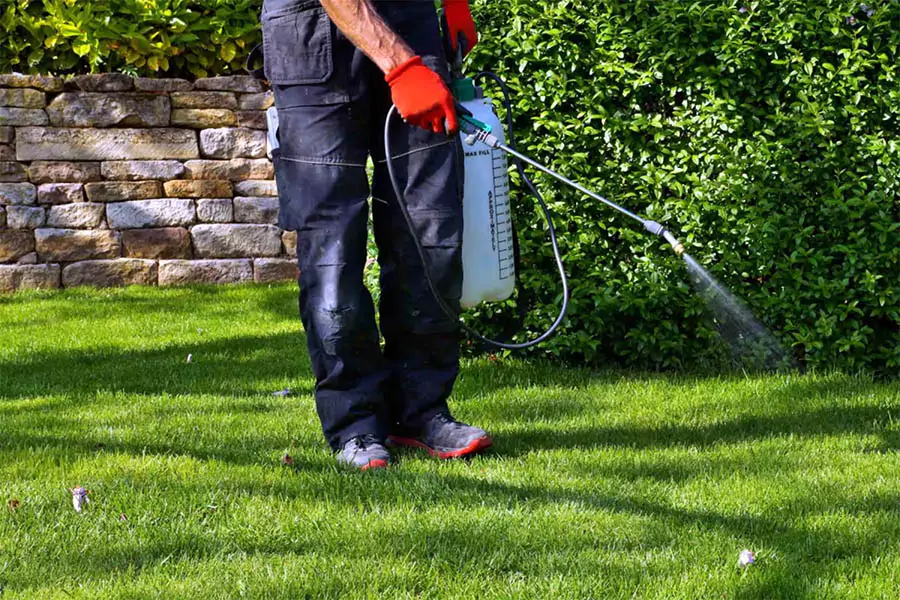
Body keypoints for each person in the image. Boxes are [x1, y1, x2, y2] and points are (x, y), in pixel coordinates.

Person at [260, 0, 492, 470]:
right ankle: (356, 423)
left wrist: (453, 5)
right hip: (311, 35)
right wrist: (400, 64)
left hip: (414, 27)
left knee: (431, 234)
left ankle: (422, 411)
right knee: (332, 249)